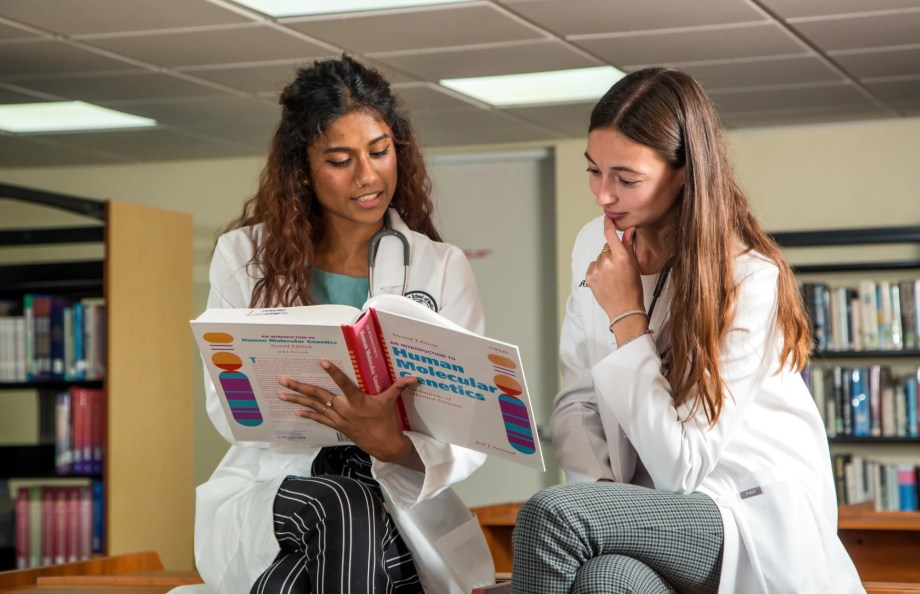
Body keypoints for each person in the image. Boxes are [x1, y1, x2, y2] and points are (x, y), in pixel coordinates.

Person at [511, 67, 864, 593]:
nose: (603, 195)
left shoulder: (748, 277)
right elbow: (577, 401)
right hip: (649, 510)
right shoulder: (593, 245)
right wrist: (604, 492)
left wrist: (626, 313)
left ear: (684, 173)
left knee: (556, 514)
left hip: (732, 512)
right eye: (593, 170)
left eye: (625, 178)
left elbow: (682, 467)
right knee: (606, 580)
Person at [194, 55, 495, 594]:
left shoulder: (440, 267)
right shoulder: (242, 256)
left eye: (380, 152)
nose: (367, 175)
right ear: (301, 167)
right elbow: (228, 404)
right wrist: (327, 413)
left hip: (396, 491)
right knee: (341, 504)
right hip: (284, 483)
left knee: (321, 554)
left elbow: (473, 425)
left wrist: (392, 445)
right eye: (340, 160)